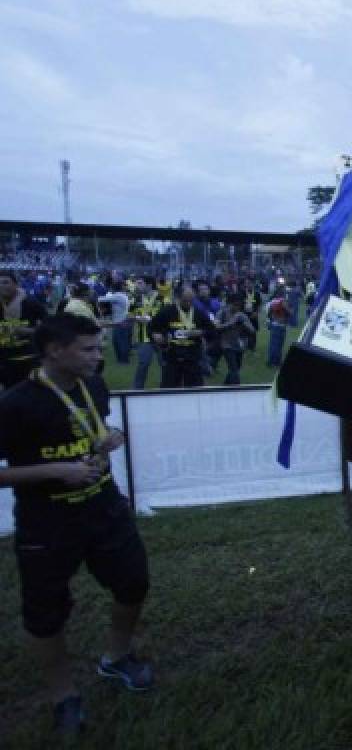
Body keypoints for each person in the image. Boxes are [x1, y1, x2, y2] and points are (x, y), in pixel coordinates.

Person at [0, 315, 153, 735]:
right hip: (46, 524)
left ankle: (117, 657)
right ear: (54, 350)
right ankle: (63, 694)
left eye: (100, 347)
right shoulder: (17, 403)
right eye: (89, 349)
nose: (99, 356)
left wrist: (108, 438)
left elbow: (94, 437)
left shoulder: (94, 386)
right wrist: (55, 472)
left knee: (134, 584)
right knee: (46, 615)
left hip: (104, 509)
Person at [150, 287, 214, 389]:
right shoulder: (167, 311)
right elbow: (152, 327)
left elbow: (212, 330)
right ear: (177, 298)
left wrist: (201, 332)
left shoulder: (199, 313)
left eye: (191, 301)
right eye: (185, 301)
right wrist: (156, 335)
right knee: (168, 389)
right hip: (172, 355)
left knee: (195, 390)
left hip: (192, 356)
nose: (188, 303)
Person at [1, 268, 49, 390]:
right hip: (5, 361)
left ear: (16, 284)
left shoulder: (30, 303)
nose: (2, 286)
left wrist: (28, 331)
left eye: (6, 282)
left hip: (28, 359)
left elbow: (50, 325)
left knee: (32, 393)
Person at [213, 294, 254, 385]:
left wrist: (244, 324)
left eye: (238, 305)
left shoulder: (241, 315)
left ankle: (225, 385)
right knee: (233, 368)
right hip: (226, 345)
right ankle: (236, 388)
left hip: (239, 345)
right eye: (234, 304)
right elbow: (216, 327)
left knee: (236, 368)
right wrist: (231, 323)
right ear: (229, 303)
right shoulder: (222, 313)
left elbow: (252, 330)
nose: (236, 307)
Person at [130, 278, 161, 390]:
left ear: (149, 285)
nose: (137, 285)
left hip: (160, 336)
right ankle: (137, 389)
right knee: (143, 364)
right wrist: (137, 317)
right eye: (137, 283)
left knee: (165, 363)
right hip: (143, 337)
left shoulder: (161, 298)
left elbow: (166, 315)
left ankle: (167, 386)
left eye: (140, 283)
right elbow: (129, 315)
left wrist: (152, 319)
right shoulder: (136, 298)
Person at [98, 280, 131, 364]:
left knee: (120, 342)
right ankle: (121, 359)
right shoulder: (122, 295)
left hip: (121, 321)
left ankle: (123, 360)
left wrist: (97, 296)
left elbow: (102, 299)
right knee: (117, 341)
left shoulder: (118, 296)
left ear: (113, 288)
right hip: (121, 320)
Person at [265, 286, 291, 367]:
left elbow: (268, 312)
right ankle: (274, 362)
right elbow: (289, 312)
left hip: (275, 324)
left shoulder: (272, 302)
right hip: (280, 325)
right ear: (282, 293)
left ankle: (273, 361)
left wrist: (271, 320)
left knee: (273, 344)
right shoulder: (282, 302)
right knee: (278, 344)